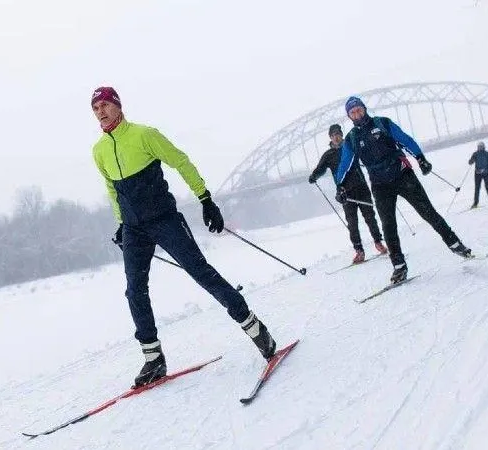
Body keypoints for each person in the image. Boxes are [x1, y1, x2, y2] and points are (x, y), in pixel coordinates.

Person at [90, 86, 277, 387]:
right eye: (95, 108)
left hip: (164, 220)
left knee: (201, 273)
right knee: (134, 290)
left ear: (118, 106)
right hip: (134, 229)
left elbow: (181, 161)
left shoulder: (144, 135)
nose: (100, 112)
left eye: (105, 105)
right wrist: (121, 224)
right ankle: (153, 359)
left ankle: (255, 328)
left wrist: (205, 198)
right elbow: (112, 190)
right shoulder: (98, 151)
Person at [334, 96, 473, 283]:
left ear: (364, 109)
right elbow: (344, 164)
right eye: (353, 112)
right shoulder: (352, 138)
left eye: (359, 110)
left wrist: (420, 158)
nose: (357, 114)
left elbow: (405, 139)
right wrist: (339, 186)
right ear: (349, 116)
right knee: (388, 226)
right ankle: (399, 266)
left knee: (428, 213)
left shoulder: (382, 124)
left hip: (402, 175)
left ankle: (456, 245)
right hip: (380, 185)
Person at [309, 124, 388, 263]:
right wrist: (314, 176)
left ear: (341, 134)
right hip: (345, 193)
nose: (336, 137)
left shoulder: (352, 147)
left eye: (338, 134)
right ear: (330, 138)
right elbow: (320, 169)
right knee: (352, 223)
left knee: (370, 218)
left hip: (361, 187)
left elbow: (367, 156)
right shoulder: (328, 155)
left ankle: (378, 242)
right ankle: (359, 251)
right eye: (333, 135)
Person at [468, 141, 488, 208]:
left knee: (487, 188)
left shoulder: (486, 153)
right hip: (477, 174)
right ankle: (475, 203)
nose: (480, 148)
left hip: (486, 173)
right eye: (479, 147)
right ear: (477, 147)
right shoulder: (475, 154)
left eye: (481, 147)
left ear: (483, 147)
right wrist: (471, 161)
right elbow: (470, 161)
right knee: (477, 188)